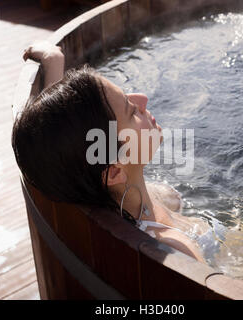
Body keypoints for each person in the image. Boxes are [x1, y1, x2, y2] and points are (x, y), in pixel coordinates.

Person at [12, 41, 225, 264]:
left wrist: (53, 63)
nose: (142, 99)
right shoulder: (176, 251)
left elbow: (54, 137)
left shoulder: (102, 185)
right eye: (131, 111)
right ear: (114, 171)